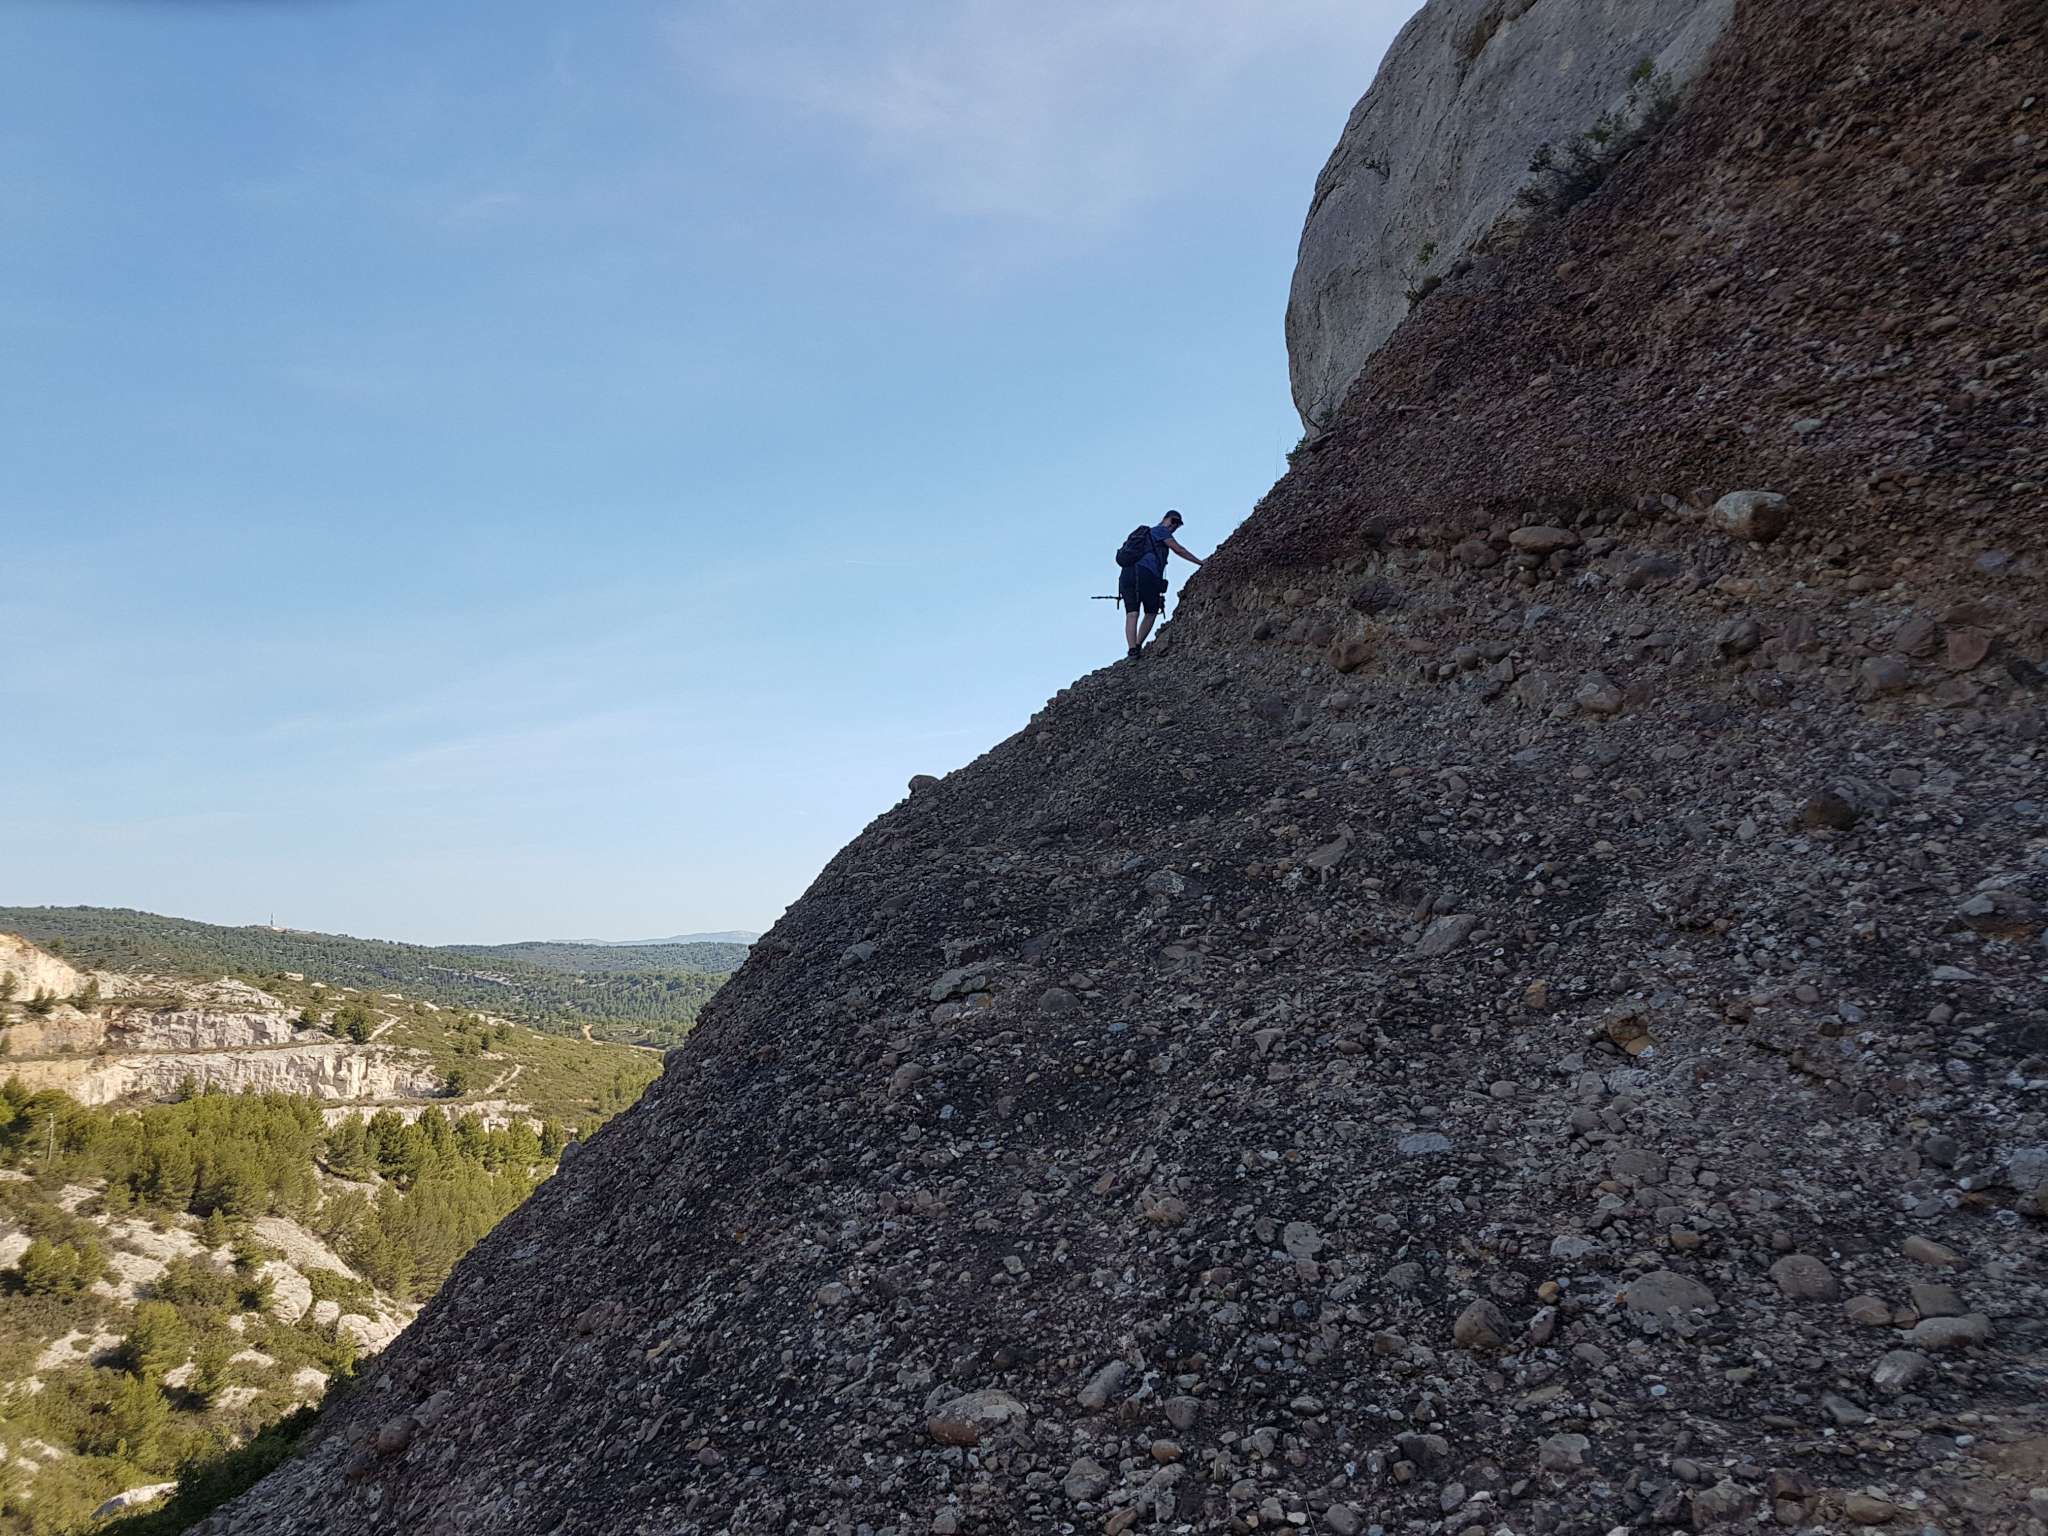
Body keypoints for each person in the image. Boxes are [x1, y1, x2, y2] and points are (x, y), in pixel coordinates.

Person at [1119, 510, 1204, 658]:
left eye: (1177, 525)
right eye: (1173, 521)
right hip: (1146, 574)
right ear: (1165, 519)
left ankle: (1132, 651)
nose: (1174, 526)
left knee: (1132, 613)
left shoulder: (1144, 536)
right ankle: (1137, 646)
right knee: (1151, 611)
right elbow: (1179, 550)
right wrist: (1200, 563)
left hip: (1126, 576)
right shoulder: (1160, 531)